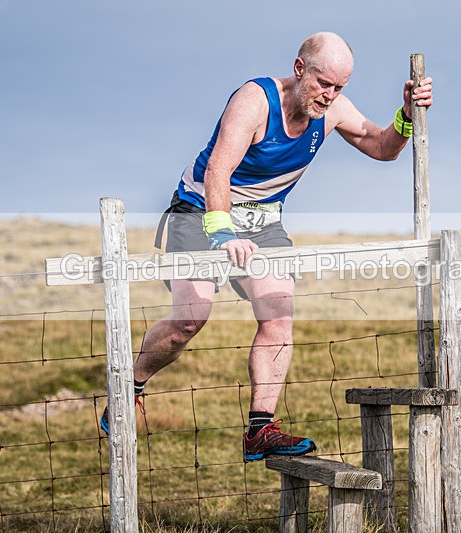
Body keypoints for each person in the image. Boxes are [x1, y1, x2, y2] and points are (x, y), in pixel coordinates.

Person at [100, 32, 433, 462]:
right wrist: (223, 234)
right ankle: (130, 386)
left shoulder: (334, 111)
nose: (329, 95)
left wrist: (406, 116)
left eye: (339, 87)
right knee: (189, 319)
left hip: (262, 221)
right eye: (323, 83)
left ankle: (260, 430)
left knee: (278, 316)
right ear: (300, 69)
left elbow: (383, 147)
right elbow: (219, 169)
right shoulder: (255, 100)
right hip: (201, 209)